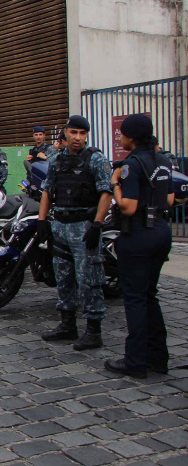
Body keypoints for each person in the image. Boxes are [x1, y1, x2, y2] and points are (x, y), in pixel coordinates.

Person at [104, 114, 174, 378]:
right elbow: (169, 199)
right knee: (149, 296)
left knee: (134, 298)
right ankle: (159, 358)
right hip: (161, 231)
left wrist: (115, 184)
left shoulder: (131, 164)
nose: (120, 136)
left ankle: (135, 361)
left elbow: (128, 207)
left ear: (130, 137)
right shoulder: (164, 161)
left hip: (138, 235)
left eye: (122, 133)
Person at [37, 115, 112, 351]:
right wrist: (42, 221)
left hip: (84, 227)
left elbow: (106, 193)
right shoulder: (57, 159)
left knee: (89, 279)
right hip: (60, 224)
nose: (78, 137)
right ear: (65, 133)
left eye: (82, 133)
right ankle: (68, 324)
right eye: (74, 132)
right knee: (63, 276)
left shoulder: (96, 159)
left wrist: (98, 224)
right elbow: (48, 191)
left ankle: (93, 331)